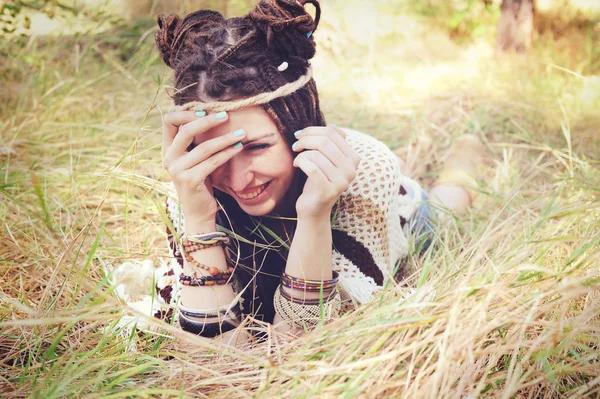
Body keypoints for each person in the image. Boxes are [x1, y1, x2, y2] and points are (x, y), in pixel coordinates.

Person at [149, 0, 484, 341]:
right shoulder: (193, 189)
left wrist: (314, 214)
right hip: (341, 171)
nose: (237, 180)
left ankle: (468, 146)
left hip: (403, 215)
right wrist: (199, 221)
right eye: (215, 153)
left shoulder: (366, 174)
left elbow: (299, 344)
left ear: (298, 125)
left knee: (447, 202)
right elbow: (217, 356)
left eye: (257, 146)